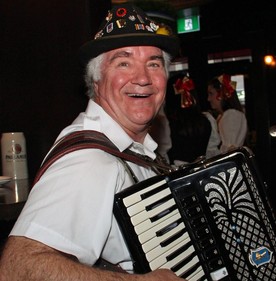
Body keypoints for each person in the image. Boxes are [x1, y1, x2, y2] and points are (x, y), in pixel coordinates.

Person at [0, 3, 184, 281]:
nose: (144, 78)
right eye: (123, 62)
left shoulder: (134, 150)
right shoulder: (90, 161)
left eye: (154, 63)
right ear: (96, 80)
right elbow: (17, 268)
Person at [163, 73, 220, 166]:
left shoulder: (166, 124)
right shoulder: (207, 120)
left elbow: (162, 157)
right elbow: (212, 152)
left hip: (177, 176)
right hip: (203, 174)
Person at [207, 74, 248, 153]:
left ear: (222, 94)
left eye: (211, 93)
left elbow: (230, 151)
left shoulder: (232, 115)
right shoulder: (224, 116)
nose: (208, 99)